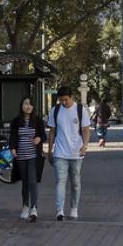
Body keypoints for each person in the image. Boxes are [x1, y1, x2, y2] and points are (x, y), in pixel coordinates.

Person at [47, 86, 91, 221]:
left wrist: (85, 146)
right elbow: (52, 131)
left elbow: (86, 130)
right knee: (60, 181)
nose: (64, 103)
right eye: (61, 100)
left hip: (76, 153)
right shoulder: (55, 111)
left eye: (66, 100)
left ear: (72, 97)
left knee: (75, 182)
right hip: (60, 152)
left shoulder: (80, 110)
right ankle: (59, 211)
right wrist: (50, 149)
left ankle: (74, 208)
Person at [8, 97, 46, 222]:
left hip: (33, 156)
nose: (28, 106)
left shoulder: (38, 121)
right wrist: (12, 148)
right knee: (25, 182)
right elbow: (12, 136)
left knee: (32, 181)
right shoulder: (16, 121)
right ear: (22, 106)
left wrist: (39, 139)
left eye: (30, 104)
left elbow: (43, 135)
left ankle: (34, 208)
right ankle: (25, 206)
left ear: (33, 107)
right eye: (25, 104)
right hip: (20, 156)